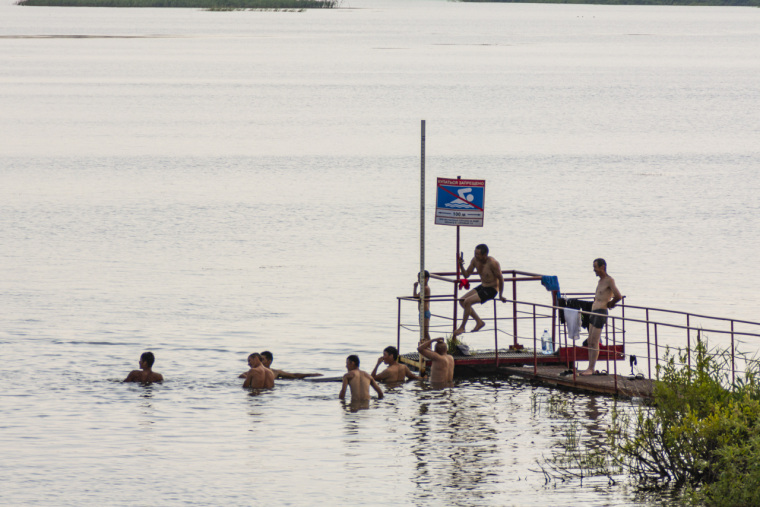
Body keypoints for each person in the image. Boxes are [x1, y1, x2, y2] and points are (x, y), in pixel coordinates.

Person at [580, 258, 623, 376]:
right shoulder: (600, 281)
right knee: (590, 341)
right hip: (594, 311)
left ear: (602, 267)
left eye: (596, 267)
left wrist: (611, 304)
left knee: (595, 340)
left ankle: (591, 368)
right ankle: (590, 367)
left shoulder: (610, 280)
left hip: (601, 312)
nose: (594, 270)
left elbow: (618, 295)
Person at [455, 244, 507, 336]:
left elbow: (501, 279)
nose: (475, 256)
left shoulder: (493, 263)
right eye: (475, 253)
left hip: (492, 289)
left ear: (485, 255)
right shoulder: (475, 260)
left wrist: (501, 295)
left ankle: (462, 327)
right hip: (483, 286)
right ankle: (479, 321)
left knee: (467, 301)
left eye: (478, 254)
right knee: (462, 300)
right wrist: (461, 265)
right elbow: (466, 275)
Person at [413, 270, 432, 343]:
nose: (419, 280)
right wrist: (415, 287)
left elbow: (416, 296)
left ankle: (429, 347)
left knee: (425, 332)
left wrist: (415, 287)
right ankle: (424, 346)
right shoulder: (422, 289)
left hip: (425, 312)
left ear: (426, 279)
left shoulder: (426, 288)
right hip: (421, 312)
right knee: (423, 332)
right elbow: (416, 296)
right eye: (418, 278)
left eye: (420, 278)